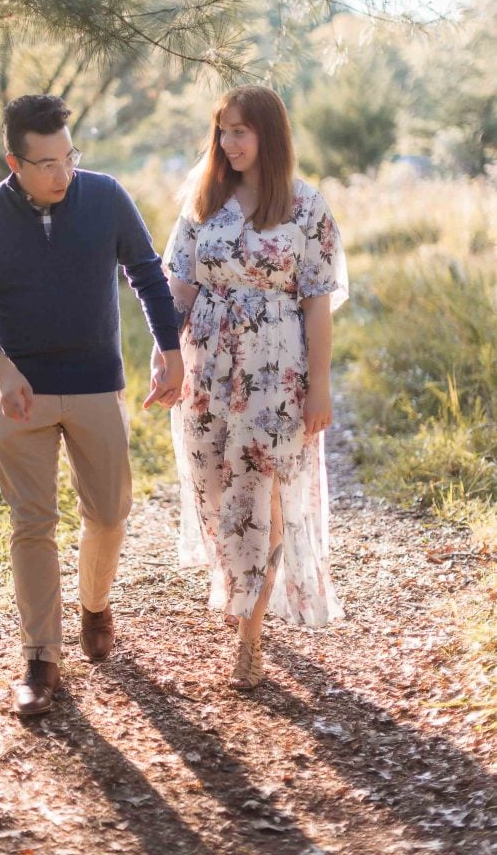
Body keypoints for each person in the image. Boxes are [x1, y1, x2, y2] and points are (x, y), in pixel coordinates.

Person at [0, 94, 183, 716]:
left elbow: (147, 273)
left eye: (69, 156)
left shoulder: (105, 197)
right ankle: (40, 658)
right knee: (32, 525)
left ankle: (94, 603)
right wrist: (2, 370)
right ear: (15, 161)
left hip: (94, 383)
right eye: (47, 163)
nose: (63, 173)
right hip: (19, 394)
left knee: (109, 513)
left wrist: (171, 349)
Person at [160, 85, 347, 690]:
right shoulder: (202, 199)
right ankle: (239, 590)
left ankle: (250, 633)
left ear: (269, 134)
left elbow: (317, 304)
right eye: (222, 130)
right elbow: (177, 289)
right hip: (208, 366)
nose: (229, 142)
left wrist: (319, 387)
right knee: (216, 486)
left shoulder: (304, 206)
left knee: (262, 487)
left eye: (241, 130)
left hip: (276, 370)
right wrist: (165, 362)